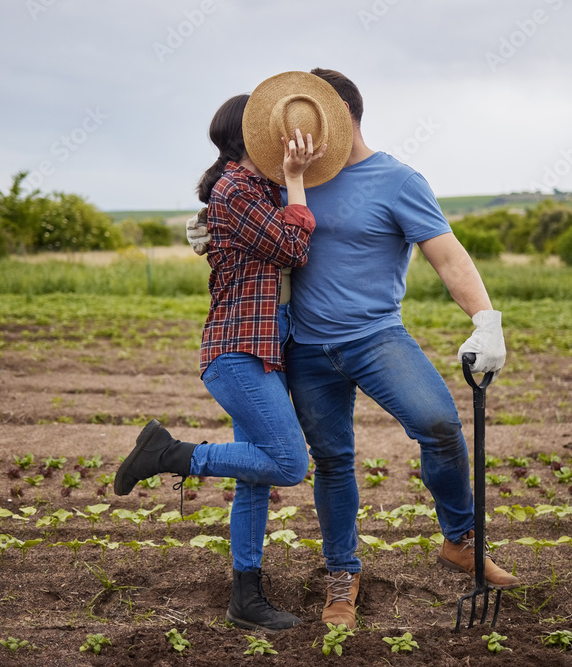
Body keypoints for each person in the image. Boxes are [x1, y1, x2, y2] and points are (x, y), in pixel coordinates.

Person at [187, 68, 521, 630]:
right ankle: (342, 573)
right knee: (332, 460)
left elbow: (448, 255)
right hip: (306, 349)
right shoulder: (289, 177)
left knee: (438, 424)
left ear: (337, 117)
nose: (290, 139)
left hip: (376, 338)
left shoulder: (397, 180)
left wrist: (485, 319)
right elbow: (243, 216)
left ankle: (460, 538)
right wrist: (208, 226)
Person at [115, 72, 350, 633]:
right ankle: (172, 454)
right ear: (248, 137)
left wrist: (297, 176)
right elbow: (294, 246)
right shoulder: (236, 190)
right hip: (238, 353)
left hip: (260, 353)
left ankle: (246, 597)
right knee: (290, 463)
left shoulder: (251, 189)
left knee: (256, 477)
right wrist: (294, 181)